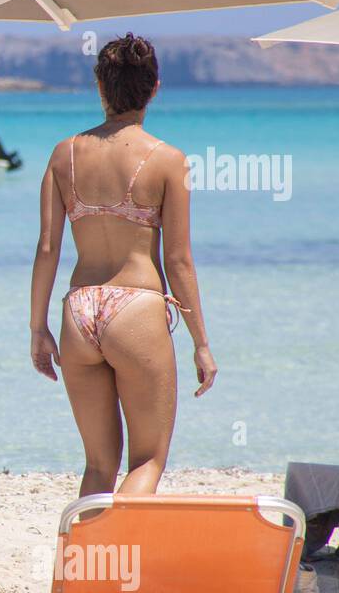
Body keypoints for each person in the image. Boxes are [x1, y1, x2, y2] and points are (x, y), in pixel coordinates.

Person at [29, 33, 217, 498]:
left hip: (79, 308)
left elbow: (48, 248)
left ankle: (80, 567)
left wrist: (37, 328)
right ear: (154, 88)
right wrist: (201, 343)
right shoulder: (168, 160)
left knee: (97, 466)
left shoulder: (64, 154)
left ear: (100, 86)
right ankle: (123, 568)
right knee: (147, 460)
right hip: (136, 306)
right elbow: (178, 259)